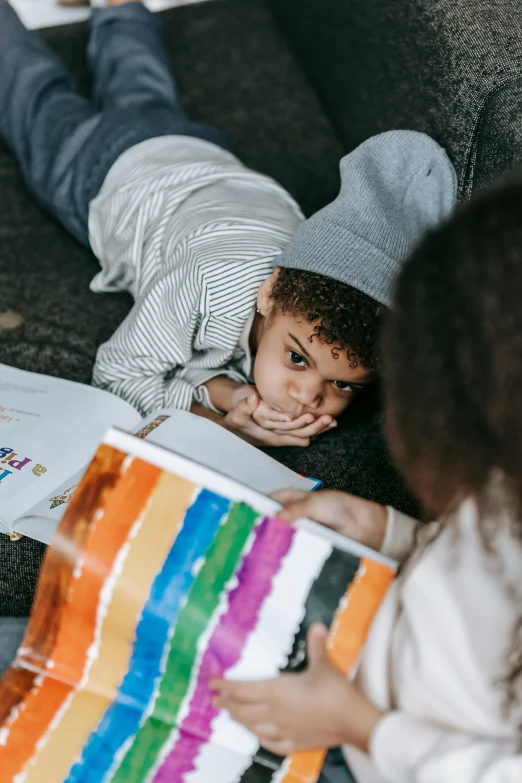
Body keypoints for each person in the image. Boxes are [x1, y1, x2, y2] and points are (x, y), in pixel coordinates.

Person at [0, 0, 456, 448]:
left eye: (344, 387)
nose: (307, 397)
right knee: (32, 96)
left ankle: (119, 8)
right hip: (102, 172)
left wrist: (230, 393)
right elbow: (120, 372)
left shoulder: (305, 274)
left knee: (141, 89)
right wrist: (219, 426)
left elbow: (221, 360)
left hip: (191, 146)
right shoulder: (209, 280)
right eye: (297, 357)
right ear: (267, 292)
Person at [212, 180, 522, 782]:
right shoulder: (503, 480)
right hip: (357, 674)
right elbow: (482, 571)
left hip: (363, 749)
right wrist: (384, 528)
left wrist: (359, 725)